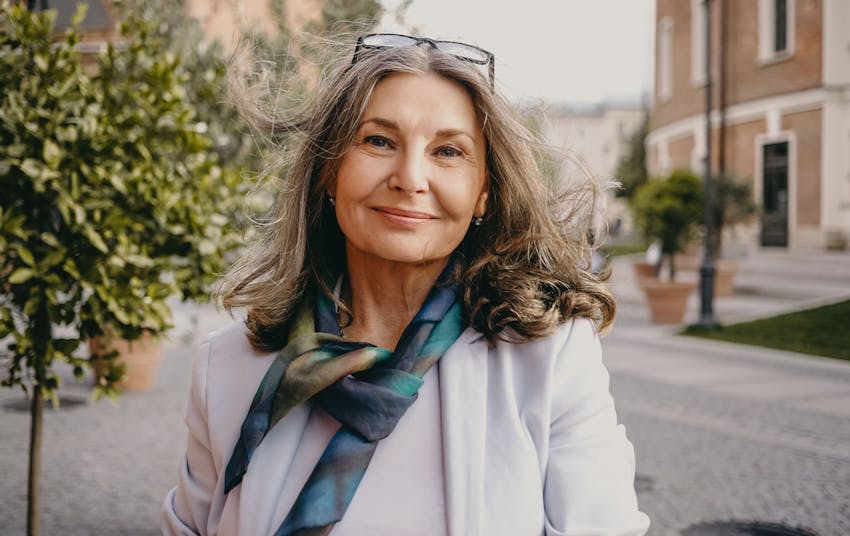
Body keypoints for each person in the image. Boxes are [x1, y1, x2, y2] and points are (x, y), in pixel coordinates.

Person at [162, 33, 650, 536]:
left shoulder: (550, 360)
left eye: (448, 151)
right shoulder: (225, 368)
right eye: (378, 141)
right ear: (329, 171)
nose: (410, 177)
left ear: (484, 192)